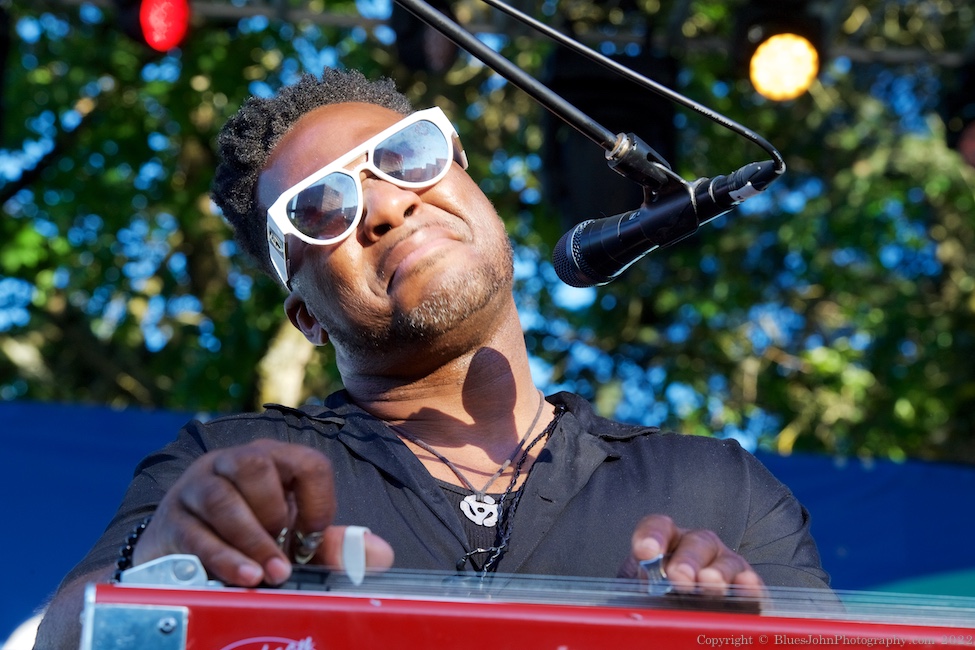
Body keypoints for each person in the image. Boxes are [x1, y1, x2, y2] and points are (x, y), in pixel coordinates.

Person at [33, 68, 829, 648]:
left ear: (467, 183)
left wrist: (743, 635)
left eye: (407, 155)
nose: (385, 203)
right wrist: (162, 563)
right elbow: (71, 632)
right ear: (305, 314)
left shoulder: (716, 489)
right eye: (322, 209)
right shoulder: (229, 466)